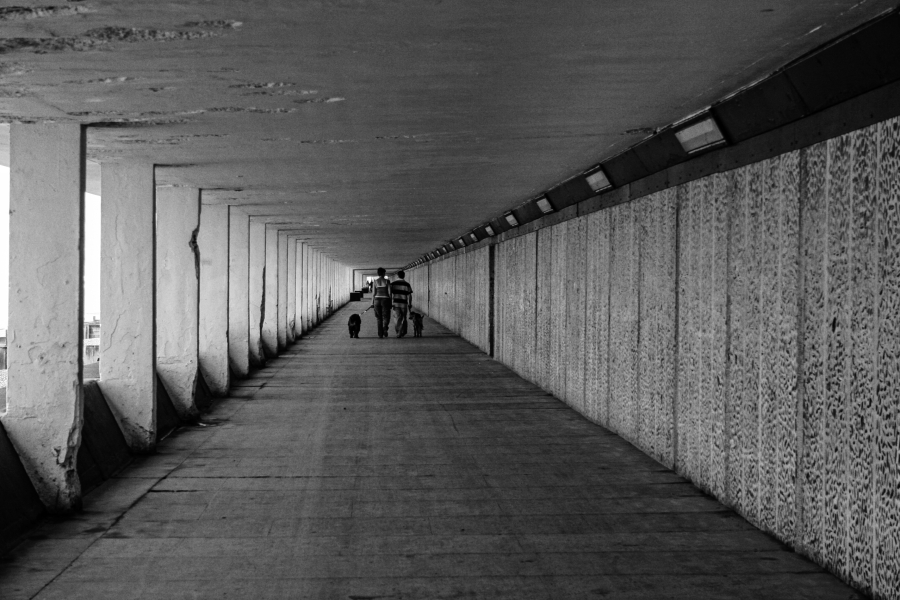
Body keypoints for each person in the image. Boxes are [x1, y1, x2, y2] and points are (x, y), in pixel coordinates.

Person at [390, 270, 413, 338]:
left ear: (397, 276)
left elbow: (390, 294)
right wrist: (410, 303)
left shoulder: (393, 284)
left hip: (396, 304)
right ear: (404, 276)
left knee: (397, 318)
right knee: (404, 318)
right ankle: (403, 331)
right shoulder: (407, 284)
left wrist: (390, 303)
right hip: (404, 304)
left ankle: (398, 332)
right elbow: (409, 295)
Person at [370, 268, 392, 338]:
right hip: (385, 300)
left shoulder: (375, 282)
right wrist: (390, 302)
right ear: (383, 273)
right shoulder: (387, 281)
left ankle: (380, 334)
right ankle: (385, 327)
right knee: (386, 316)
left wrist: (372, 303)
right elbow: (390, 293)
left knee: (379, 318)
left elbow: (373, 293)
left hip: (377, 300)